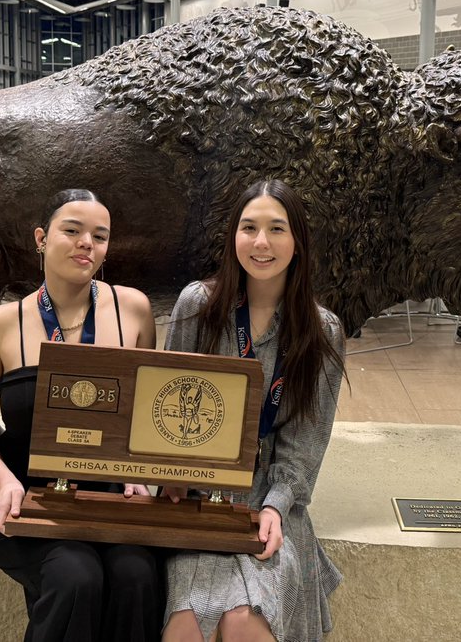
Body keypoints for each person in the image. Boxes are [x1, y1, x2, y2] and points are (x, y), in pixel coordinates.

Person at [0, 188, 163, 642]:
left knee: (137, 575)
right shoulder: (0, 324)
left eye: (100, 235)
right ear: (41, 238)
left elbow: (146, 409)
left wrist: (141, 471)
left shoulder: (134, 309)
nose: (87, 242)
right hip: (24, 486)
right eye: (72, 230)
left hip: (110, 486)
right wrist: (4, 481)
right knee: (75, 576)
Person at [162, 178, 346, 642]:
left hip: (271, 500)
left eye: (277, 229)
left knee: (245, 621)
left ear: (298, 242)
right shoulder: (197, 307)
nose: (261, 242)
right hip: (201, 496)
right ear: (233, 237)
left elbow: (306, 440)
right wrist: (172, 474)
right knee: (187, 621)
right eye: (249, 227)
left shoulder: (322, 331)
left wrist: (276, 507)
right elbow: (164, 406)